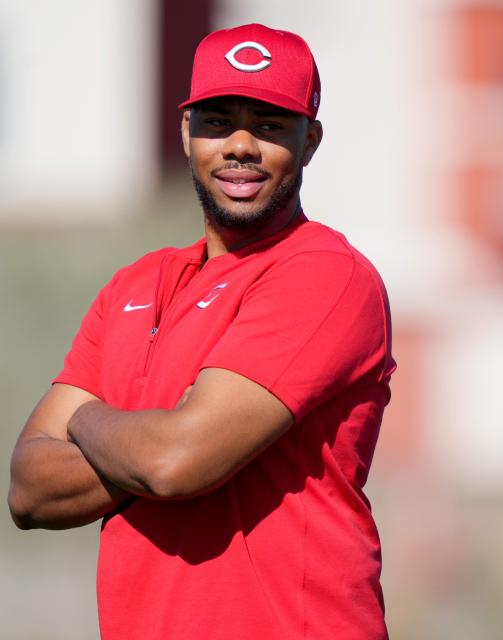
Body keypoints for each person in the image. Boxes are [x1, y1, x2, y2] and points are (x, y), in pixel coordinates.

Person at [8, 23, 394, 640]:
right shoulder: (134, 284)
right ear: (187, 132)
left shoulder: (326, 274)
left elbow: (176, 461)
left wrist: (85, 420)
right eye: (217, 122)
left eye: (269, 126)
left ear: (311, 140)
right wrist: (157, 433)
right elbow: (29, 488)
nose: (240, 146)